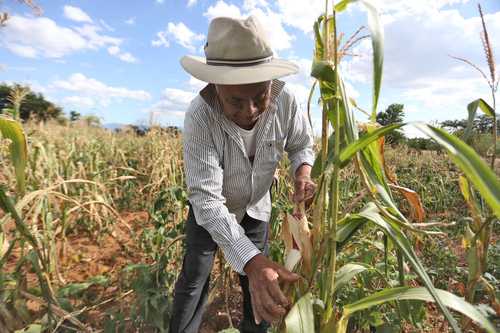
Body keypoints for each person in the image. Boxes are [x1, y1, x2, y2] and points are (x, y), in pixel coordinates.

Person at [169, 15, 316, 333]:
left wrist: (303, 172)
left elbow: (302, 145)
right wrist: (253, 261)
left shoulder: (285, 100)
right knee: (194, 280)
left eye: (259, 97)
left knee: (259, 289)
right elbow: (206, 199)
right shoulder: (200, 117)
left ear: (269, 85)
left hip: (256, 208)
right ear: (215, 86)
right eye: (236, 101)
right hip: (209, 214)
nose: (250, 110)